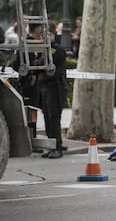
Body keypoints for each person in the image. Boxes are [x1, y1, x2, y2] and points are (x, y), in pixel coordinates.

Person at [38, 21, 67, 159]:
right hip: (44, 87)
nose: (45, 37)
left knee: (54, 118)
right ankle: (51, 146)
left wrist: (41, 61)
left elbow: (46, 62)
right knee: (47, 118)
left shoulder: (57, 49)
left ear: (53, 35)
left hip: (55, 87)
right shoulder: (43, 49)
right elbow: (36, 64)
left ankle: (58, 148)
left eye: (48, 34)